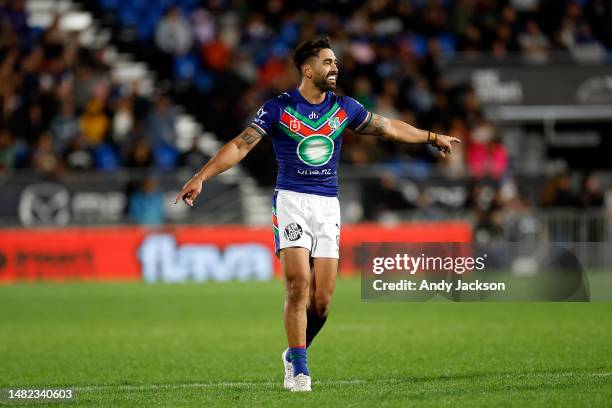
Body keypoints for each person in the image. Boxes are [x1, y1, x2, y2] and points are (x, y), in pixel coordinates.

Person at [174, 37, 460, 392]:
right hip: (291, 201)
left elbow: (388, 127)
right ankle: (300, 371)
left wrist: (432, 137)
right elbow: (240, 145)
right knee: (298, 286)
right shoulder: (278, 108)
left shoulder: (345, 108)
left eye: (336, 62)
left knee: (321, 302)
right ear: (307, 69)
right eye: (327, 62)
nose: (335, 68)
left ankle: (294, 352)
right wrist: (201, 177)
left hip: (327, 206)